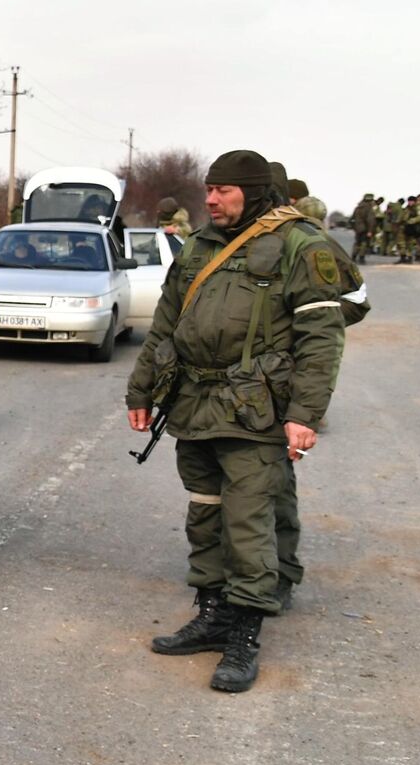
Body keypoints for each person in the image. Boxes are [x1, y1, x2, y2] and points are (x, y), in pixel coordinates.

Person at [126, 150, 345, 693]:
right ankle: (212, 612)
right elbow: (165, 324)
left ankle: (244, 634)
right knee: (204, 511)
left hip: (256, 406)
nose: (211, 198)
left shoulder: (300, 245)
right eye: (209, 189)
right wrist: (142, 389)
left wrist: (304, 415)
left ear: (251, 191)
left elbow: (322, 339)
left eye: (223, 190)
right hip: (194, 400)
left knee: (248, 522)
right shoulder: (199, 243)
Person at [351, 192, 376, 263]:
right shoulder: (369, 208)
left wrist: (355, 227)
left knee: (357, 243)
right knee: (364, 243)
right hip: (365, 228)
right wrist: (370, 231)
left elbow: (352, 218)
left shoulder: (358, 208)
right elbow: (370, 220)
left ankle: (353, 257)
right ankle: (361, 258)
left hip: (357, 228)